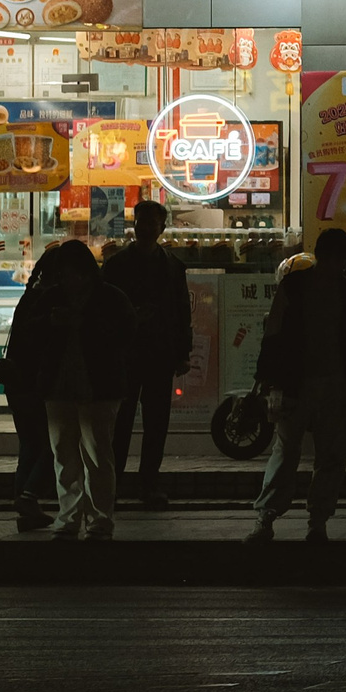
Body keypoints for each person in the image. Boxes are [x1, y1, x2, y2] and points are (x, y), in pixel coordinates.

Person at [248, 229, 346, 542]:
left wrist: (264, 376)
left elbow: (273, 334)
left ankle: (268, 518)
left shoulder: (295, 286)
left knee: (287, 450)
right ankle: (316, 521)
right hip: (331, 382)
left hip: (295, 381)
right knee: (328, 455)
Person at [28, 241, 138, 540]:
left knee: (93, 454)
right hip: (70, 385)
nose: (67, 278)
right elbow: (31, 331)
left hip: (94, 385)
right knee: (72, 454)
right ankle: (80, 519)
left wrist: (79, 324)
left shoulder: (106, 298)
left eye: (71, 272)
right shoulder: (71, 298)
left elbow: (125, 336)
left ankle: (89, 520)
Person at [102, 199, 193, 508]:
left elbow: (183, 312)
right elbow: (107, 312)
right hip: (126, 355)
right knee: (121, 424)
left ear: (161, 228)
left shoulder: (172, 266)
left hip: (159, 355)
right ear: (135, 225)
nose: (146, 228)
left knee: (156, 424)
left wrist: (183, 352)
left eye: (152, 224)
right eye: (142, 222)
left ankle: (146, 485)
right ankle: (114, 485)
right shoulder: (116, 266)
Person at [0, 241, 80, 531]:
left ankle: (24, 505)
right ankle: (29, 495)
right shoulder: (51, 299)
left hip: (17, 380)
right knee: (50, 442)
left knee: (29, 444)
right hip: (37, 380)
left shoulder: (29, 295)